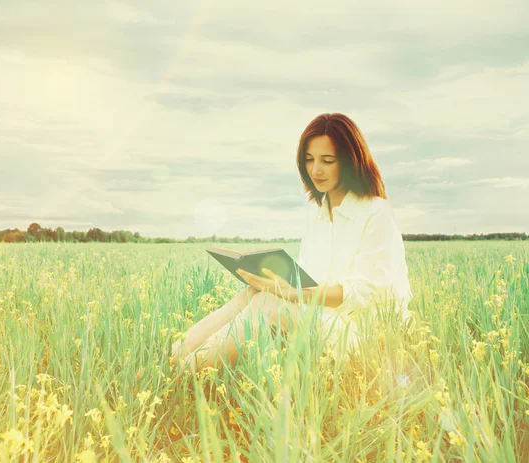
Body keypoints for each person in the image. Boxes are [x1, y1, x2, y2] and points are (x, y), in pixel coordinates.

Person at [170, 112, 414, 376]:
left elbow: (360, 293)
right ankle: (170, 359)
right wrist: (275, 283)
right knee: (254, 295)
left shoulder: (376, 212)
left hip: (363, 332)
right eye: (308, 160)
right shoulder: (318, 213)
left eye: (327, 161)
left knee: (267, 305)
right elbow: (308, 277)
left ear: (350, 161)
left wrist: (291, 293)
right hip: (324, 318)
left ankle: (183, 375)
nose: (315, 170)